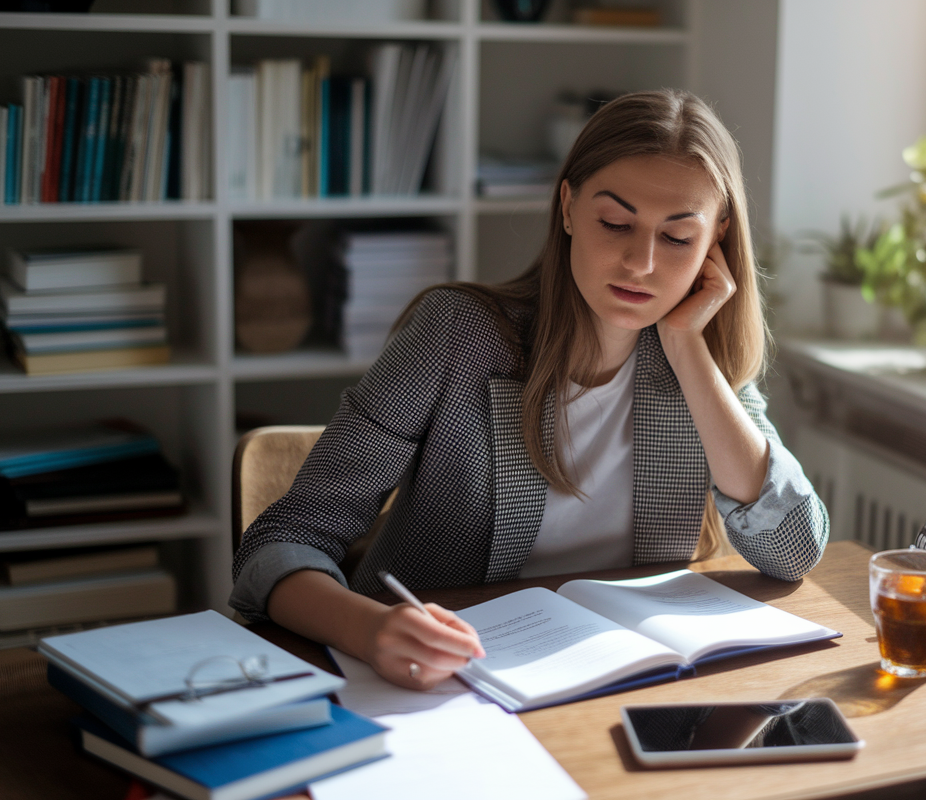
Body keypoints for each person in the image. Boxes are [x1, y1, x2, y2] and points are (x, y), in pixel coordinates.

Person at [230, 89, 829, 691]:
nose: (640, 262)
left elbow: (793, 548)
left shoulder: (702, 354)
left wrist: (687, 350)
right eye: (615, 223)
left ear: (716, 240)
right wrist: (372, 630)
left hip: (622, 681)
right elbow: (279, 543)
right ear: (567, 207)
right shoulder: (457, 334)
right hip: (443, 683)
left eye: (677, 238)